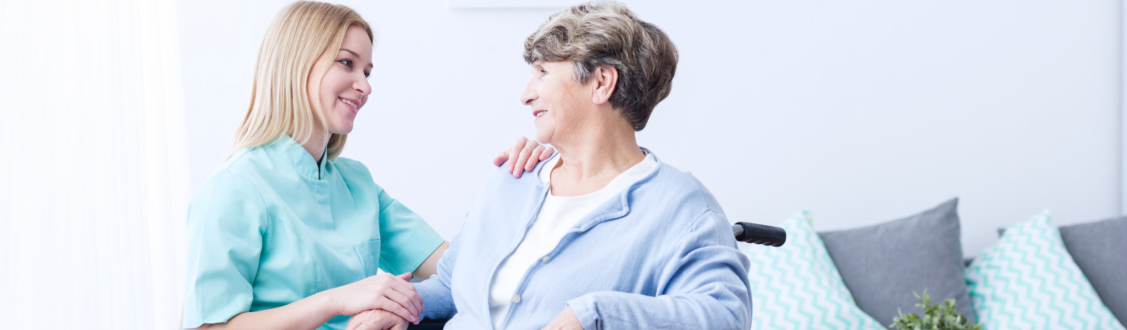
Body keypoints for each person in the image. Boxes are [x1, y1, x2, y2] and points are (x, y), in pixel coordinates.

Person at [347, 2, 752, 330]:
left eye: (542, 72)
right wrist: (404, 305)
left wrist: (595, 314)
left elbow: (726, 317)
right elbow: (456, 284)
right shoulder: (512, 181)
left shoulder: (683, 208)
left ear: (601, 83)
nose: (526, 94)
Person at [182, 2, 550, 330]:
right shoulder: (234, 188)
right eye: (347, 63)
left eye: (368, 72)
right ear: (297, 65)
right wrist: (335, 300)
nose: (365, 86)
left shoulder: (357, 184)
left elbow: (459, 268)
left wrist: (520, 180)